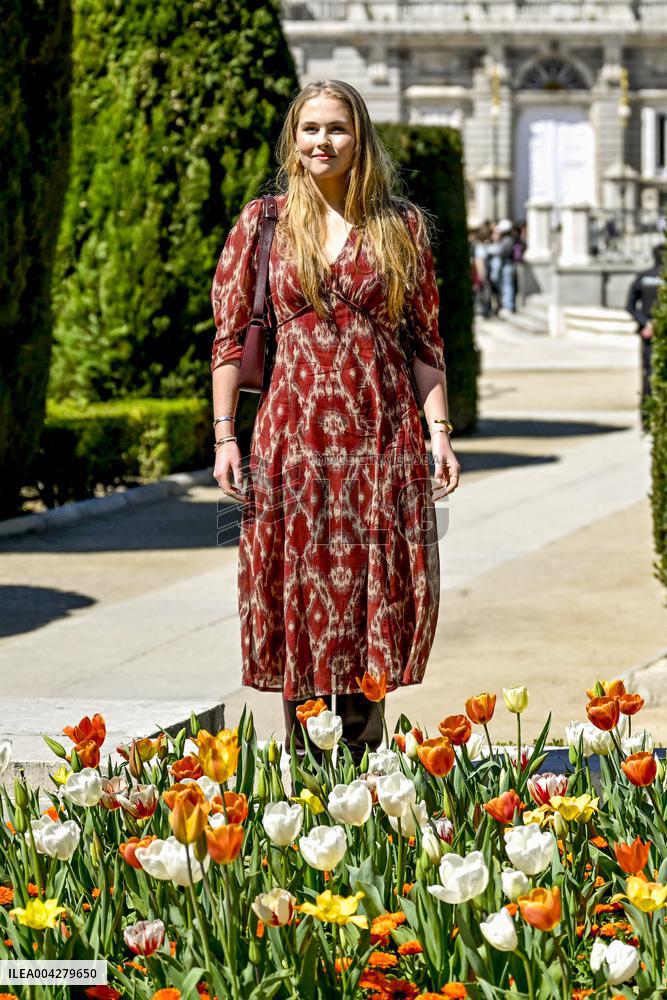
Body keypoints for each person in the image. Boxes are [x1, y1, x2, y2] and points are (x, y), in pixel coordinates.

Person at [209, 80, 460, 763]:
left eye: (337, 128)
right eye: (310, 129)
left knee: (370, 596)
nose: (323, 141)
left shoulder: (399, 226)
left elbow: (425, 342)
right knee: (298, 590)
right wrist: (225, 436)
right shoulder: (263, 223)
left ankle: (363, 766)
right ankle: (309, 771)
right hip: (292, 440)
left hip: (382, 437)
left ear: (360, 138)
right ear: (294, 140)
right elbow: (229, 340)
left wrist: (439, 434)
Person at [626, 243, 664, 431]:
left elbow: (630, 306)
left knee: (648, 375)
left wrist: (646, 323)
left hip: (648, 333)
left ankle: (647, 419)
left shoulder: (642, 277)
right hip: (660, 332)